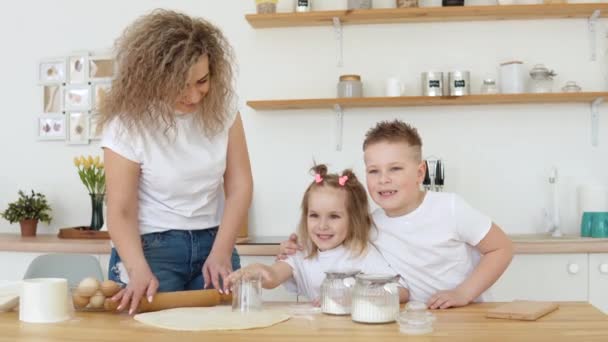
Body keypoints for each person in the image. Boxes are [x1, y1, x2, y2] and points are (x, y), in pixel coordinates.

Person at [98, 9, 252, 315]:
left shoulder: (223, 110)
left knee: (224, 332)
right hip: (149, 250)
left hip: (214, 242)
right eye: (181, 85)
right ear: (154, 78)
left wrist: (222, 251)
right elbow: (121, 210)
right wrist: (137, 268)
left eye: (202, 81)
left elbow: (240, 186)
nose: (194, 96)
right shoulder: (127, 124)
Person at [279, 120, 513, 309]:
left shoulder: (449, 208)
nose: (383, 179)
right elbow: (330, 242)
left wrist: (463, 293)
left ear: (420, 172)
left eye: (395, 168)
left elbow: (501, 248)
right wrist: (294, 247)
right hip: (411, 319)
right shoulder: (370, 225)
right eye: (374, 171)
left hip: (464, 315)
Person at [224, 164, 408, 304]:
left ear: (353, 220)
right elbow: (272, 276)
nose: (322, 225)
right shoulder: (301, 254)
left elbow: (401, 291)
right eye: (314, 215)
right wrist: (257, 270)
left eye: (334, 216)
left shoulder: (362, 254)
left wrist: (355, 297)